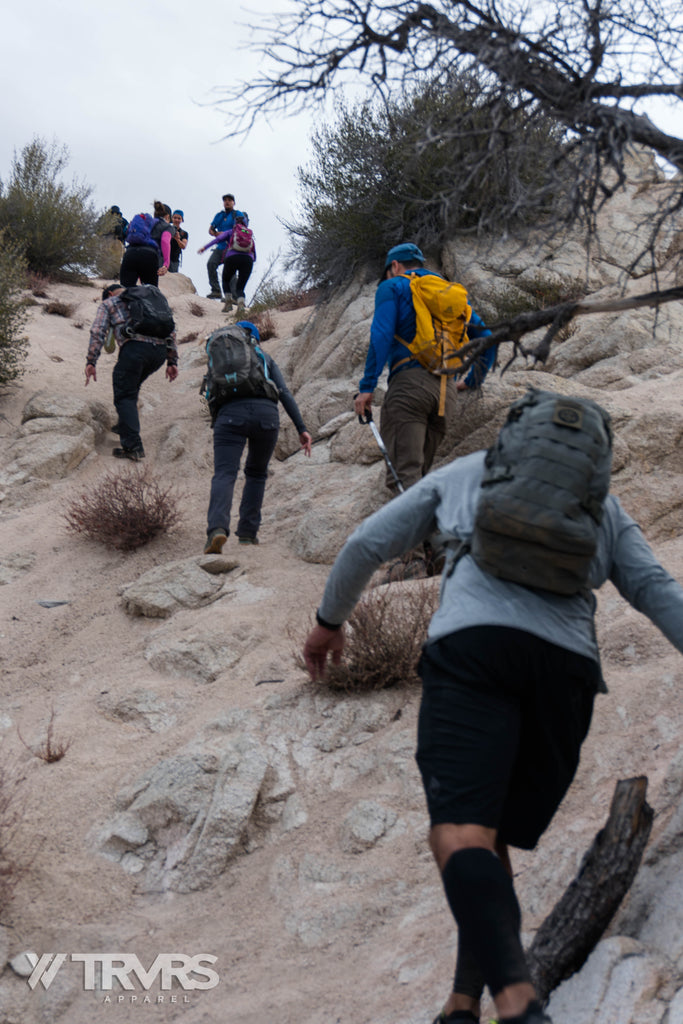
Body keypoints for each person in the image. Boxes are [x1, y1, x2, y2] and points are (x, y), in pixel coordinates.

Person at [302, 390, 683, 1024]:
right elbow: (656, 591)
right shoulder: (601, 509)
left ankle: (518, 1004)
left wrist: (328, 622)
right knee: (488, 842)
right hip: (567, 680)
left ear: (512, 436)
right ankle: (462, 1003)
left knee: (458, 833)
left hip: (475, 655)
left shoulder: (468, 474)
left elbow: (368, 544)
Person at [354, 243, 495, 492]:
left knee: (404, 480)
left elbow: (381, 335)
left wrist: (367, 386)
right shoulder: (447, 294)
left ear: (394, 266)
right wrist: (473, 381)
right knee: (418, 479)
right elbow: (487, 337)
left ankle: (421, 531)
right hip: (445, 395)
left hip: (410, 388)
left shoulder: (393, 286)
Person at [204, 320, 312, 553]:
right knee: (256, 473)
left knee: (224, 473)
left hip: (229, 416)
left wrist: (219, 420)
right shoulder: (262, 357)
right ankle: (248, 533)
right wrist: (301, 428)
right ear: (253, 338)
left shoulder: (219, 357)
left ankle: (217, 529)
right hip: (266, 416)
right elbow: (283, 392)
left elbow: (210, 391)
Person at [85, 283, 179, 460]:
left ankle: (133, 447)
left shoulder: (109, 302)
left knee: (124, 394)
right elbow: (171, 330)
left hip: (135, 348)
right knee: (131, 387)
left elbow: (98, 331)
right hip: (158, 353)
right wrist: (172, 360)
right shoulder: (150, 300)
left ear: (110, 293)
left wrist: (91, 360)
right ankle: (125, 425)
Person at [197, 215, 255, 312]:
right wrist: (250, 261)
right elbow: (254, 252)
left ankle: (228, 303)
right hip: (248, 260)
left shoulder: (232, 231)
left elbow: (218, 239)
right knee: (240, 287)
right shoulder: (248, 234)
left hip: (232, 257)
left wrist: (205, 247)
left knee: (226, 280)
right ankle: (240, 304)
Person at [119, 201, 173, 287]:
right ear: (167, 217)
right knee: (150, 292)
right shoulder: (167, 226)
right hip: (149, 256)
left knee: (125, 290)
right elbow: (165, 241)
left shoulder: (146, 223)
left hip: (130, 254)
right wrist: (166, 264)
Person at [205, 194, 249, 298]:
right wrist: (216, 234)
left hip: (232, 247)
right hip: (220, 247)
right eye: (225, 200)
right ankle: (216, 290)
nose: (227, 202)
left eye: (230, 200)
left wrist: (225, 233)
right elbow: (210, 229)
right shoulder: (219, 215)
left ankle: (233, 296)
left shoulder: (237, 214)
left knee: (231, 271)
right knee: (211, 264)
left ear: (234, 202)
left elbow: (241, 228)